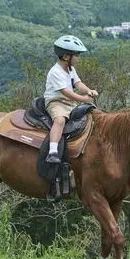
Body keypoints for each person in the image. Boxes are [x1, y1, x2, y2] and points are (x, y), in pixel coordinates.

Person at [43, 35, 99, 163]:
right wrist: (84, 99)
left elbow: (78, 84)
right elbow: (66, 92)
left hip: (70, 103)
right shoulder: (55, 72)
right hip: (56, 102)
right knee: (60, 120)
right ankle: (53, 151)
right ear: (66, 56)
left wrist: (88, 90)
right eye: (77, 55)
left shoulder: (70, 69)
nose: (78, 58)